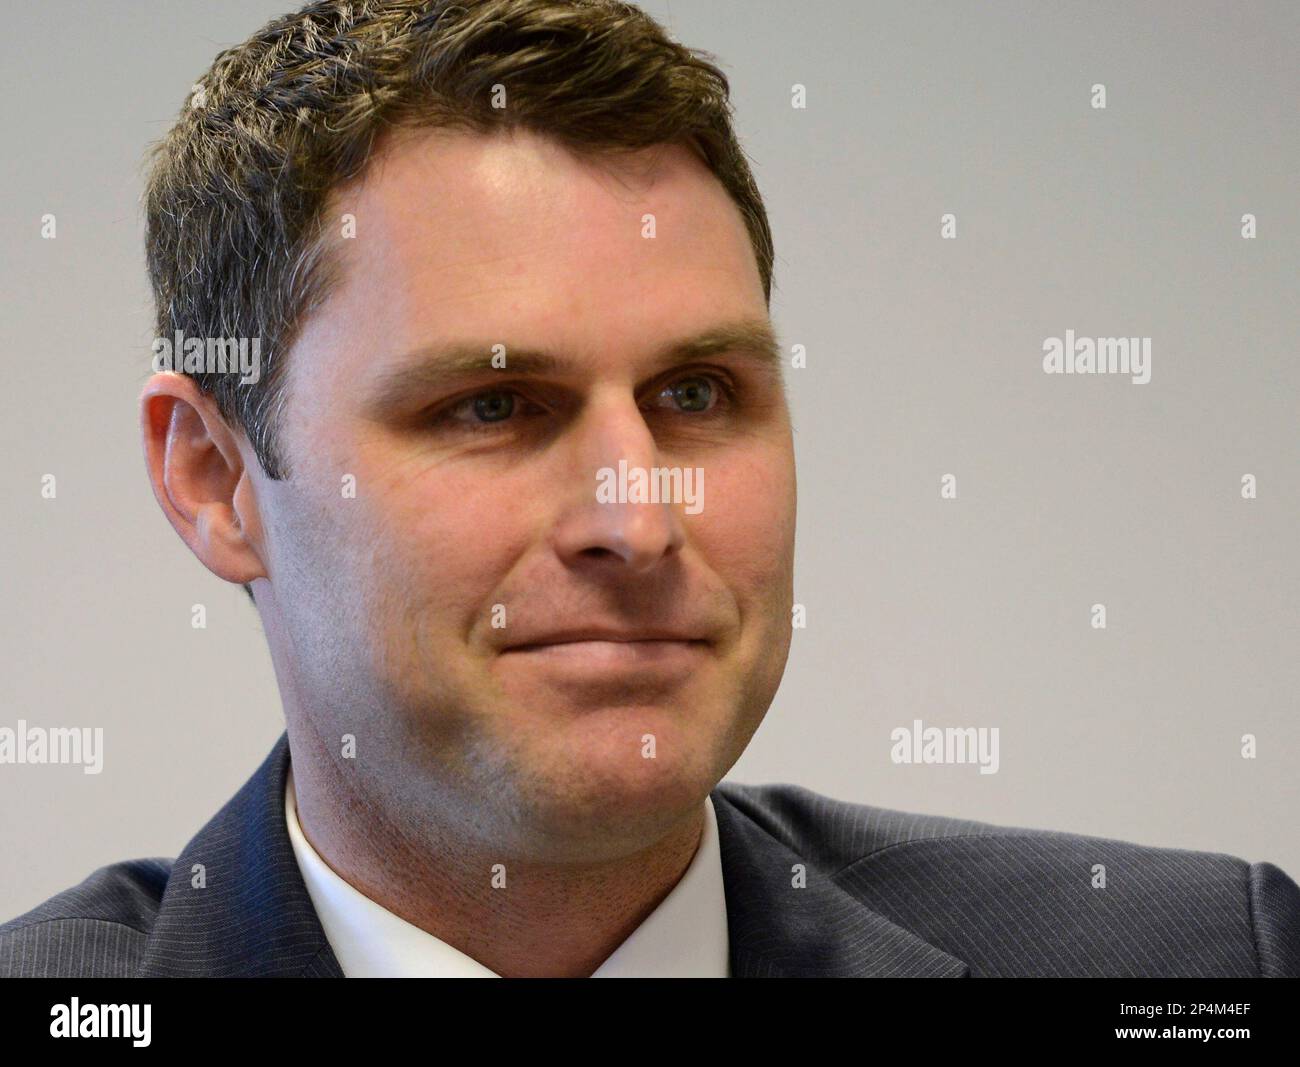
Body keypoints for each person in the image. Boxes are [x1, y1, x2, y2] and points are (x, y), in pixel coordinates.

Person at [3, 0, 1296, 978]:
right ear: (215, 478)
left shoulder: (1201, 965)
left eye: (695, 394)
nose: (636, 523)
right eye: (494, 406)